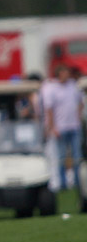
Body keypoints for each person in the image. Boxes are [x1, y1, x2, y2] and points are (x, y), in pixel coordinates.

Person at [41, 63, 84, 192]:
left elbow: (80, 103)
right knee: (61, 157)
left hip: (74, 126)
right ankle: (63, 184)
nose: (66, 75)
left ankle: (77, 183)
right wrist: (52, 127)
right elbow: (49, 109)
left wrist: (78, 117)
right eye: (64, 72)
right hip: (60, 127)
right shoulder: (52, 88)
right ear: (59, 74)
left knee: (77, 156)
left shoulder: (73, 86)